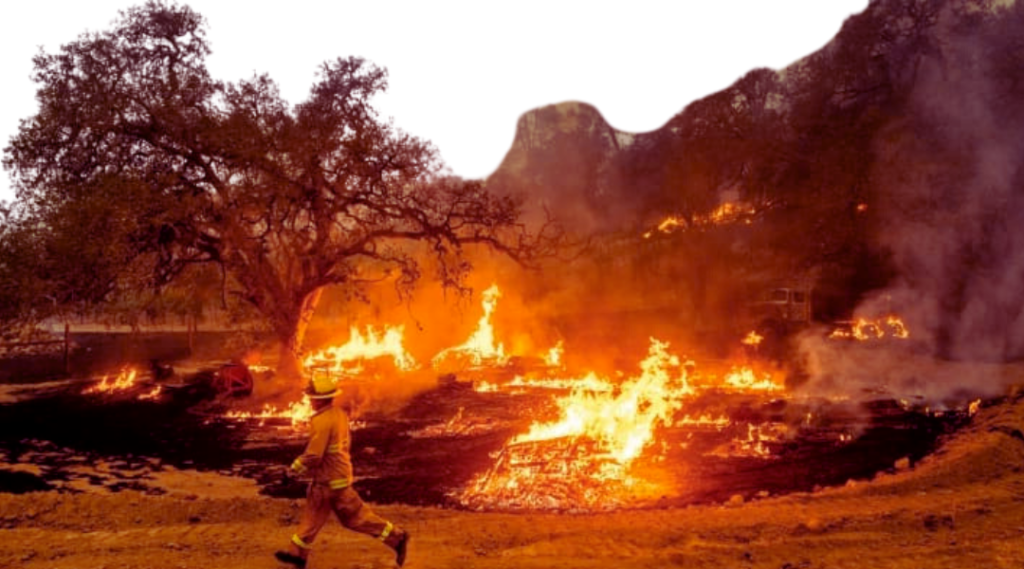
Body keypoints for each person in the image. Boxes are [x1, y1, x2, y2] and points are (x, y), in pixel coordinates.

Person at [275, 372, 410, 568]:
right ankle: (396, 537)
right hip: (341, 478)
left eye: (312, 397)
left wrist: (292, 469)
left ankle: (297, 556)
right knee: (356, 519)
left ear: (318, 399)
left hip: (326, 483)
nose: (310, 401)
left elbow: (314, 455)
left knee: (311, 523)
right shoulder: (340, 415)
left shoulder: (321, 421)